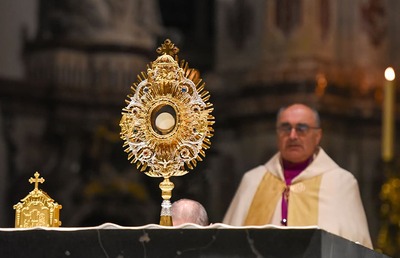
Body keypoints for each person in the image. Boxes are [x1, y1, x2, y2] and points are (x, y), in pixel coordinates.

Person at [223, 103, 373, 249]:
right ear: (277, 134)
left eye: (302, 128)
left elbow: (354, 249)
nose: (292, 135)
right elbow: (227, 246)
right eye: (285, 128)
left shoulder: (341, 183)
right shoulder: (253, 180)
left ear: (317, 136)